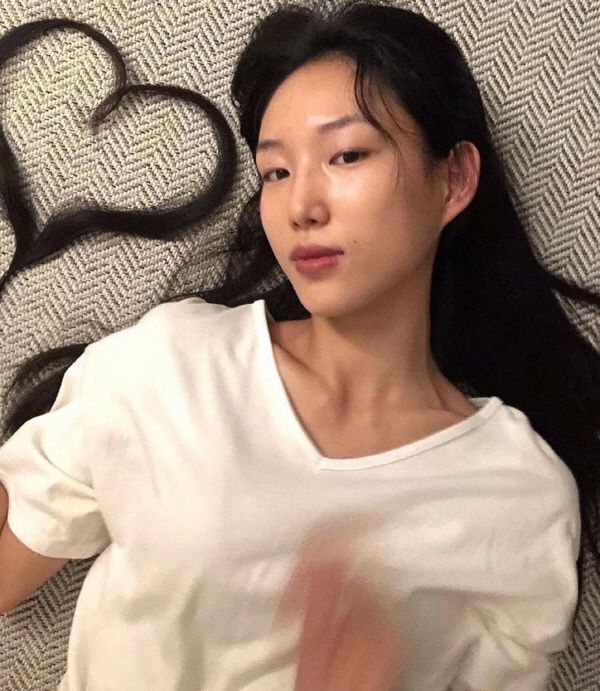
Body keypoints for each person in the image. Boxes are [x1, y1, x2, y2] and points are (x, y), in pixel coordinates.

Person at [0, 1, 598, 689]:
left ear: (454, 179)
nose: (301, 207)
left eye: (347, 155)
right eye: (276, 172)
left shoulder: (519, 495)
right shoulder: (169, 365)